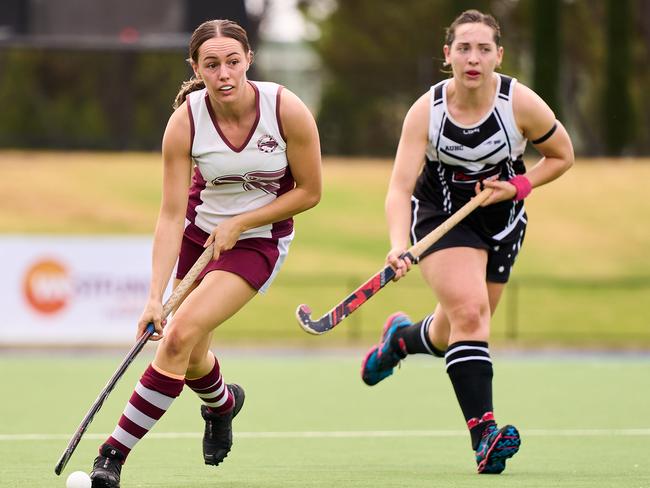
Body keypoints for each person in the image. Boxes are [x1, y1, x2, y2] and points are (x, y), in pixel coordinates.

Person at [89, 19, 322, 487]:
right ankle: (223, 405)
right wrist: (154, 297)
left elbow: (311, 192)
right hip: (199, 236)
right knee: (193, 356)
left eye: (233, 61)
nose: (224, 74)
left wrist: (242, 222)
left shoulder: (286, 110)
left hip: (259, 241)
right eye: (211, 64)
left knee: (178, 338)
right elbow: (171, 215)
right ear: (196, 67)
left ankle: (111, 456)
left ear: (249, 61)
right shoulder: (186, 122)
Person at [360, 9, 574, 475]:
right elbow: (398, 188)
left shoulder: (519, 103)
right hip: (441, 218)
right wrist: (399, 243)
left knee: (453, 329)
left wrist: (517, 187)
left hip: (503, 223)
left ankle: (400, 341)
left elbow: (562, 156)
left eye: (482, 49)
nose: (472, 58)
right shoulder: (427, 111)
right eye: (463, 48)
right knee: (471, 314)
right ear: (447, 55)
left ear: (499, 55)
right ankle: (484, 436)